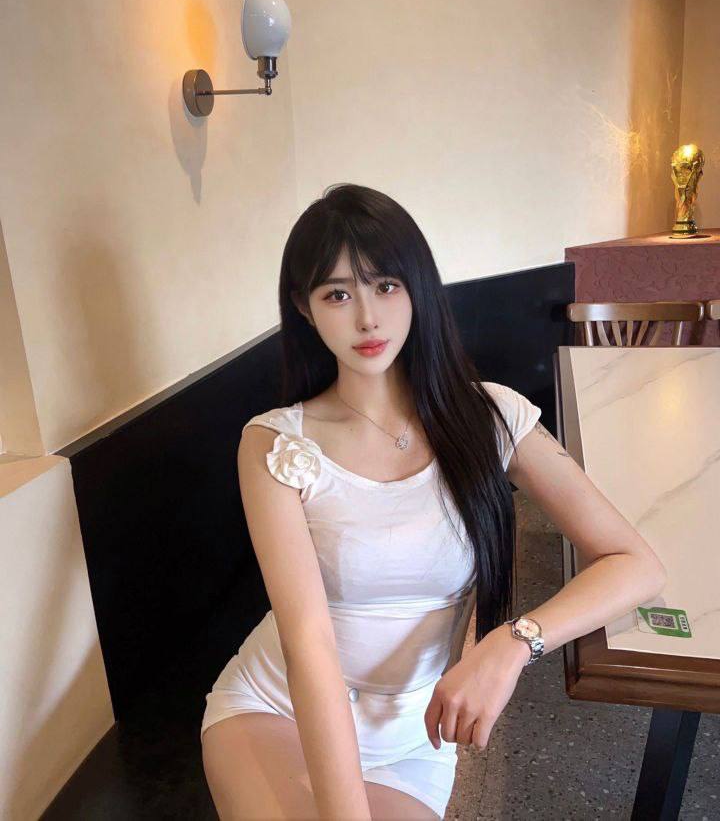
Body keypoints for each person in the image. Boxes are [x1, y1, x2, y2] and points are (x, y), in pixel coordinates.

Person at [200, 184, 667, 820]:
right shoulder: (276, 444)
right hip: (278, 709)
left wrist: (514, 642)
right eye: (338, 294)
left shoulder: (491, 416)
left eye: (386, 285)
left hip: (412, 739)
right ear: (305, 309)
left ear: (418, 288)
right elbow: (308, 643)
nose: (367, 318)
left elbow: (636, 565)